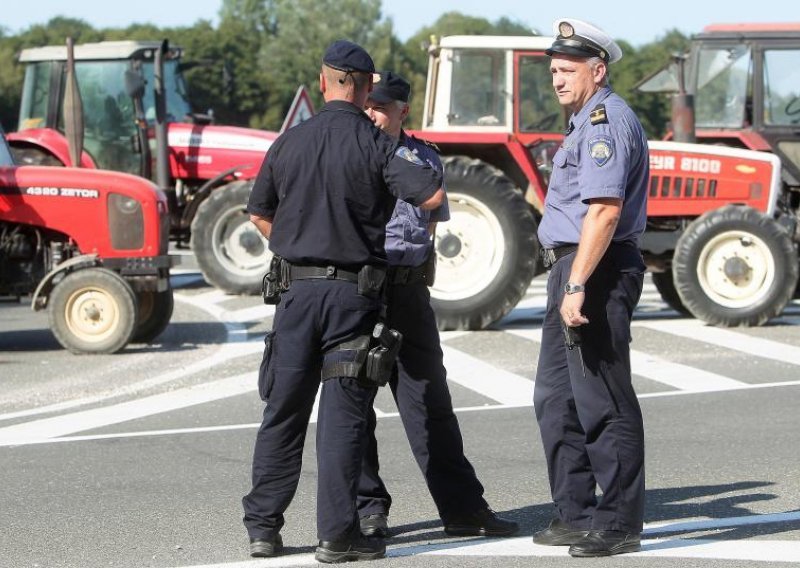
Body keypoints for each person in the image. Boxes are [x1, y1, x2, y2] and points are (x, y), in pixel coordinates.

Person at [242, 41, 445, 564]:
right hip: (354, 295)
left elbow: (258, 212)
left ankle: (263, 529)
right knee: (343, 417)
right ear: (366, 85)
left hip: (294, 293)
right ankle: (338, 537)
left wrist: (295, 243)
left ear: (324, 78)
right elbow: (432, 197)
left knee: (283, 410)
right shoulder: (375, 143)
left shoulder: (288, 143)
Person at [357, 71, 519, 539]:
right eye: (368, 104)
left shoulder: (424, 158)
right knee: (356, 407)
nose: (372, 113)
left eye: (381, 106)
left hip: (409, 291)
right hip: (364, 290)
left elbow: (428, 230)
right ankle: (368, 509)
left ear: (401, 111)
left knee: (431, 403)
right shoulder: (352, 157)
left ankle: (464, 509)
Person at [531, 18, 649, 558]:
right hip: (572, 268)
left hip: (593, 269)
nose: (557, 79)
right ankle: (576, 513)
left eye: (568, 69)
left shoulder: (604, 121)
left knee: (602, 398)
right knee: (557, 397)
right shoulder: (581, 122)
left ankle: (619, 520)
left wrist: (577, 282)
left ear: (597, 71)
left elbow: (603, 211)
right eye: (553, 69)